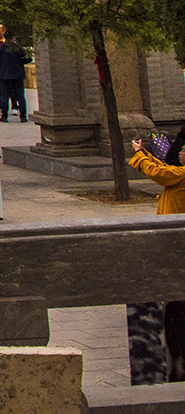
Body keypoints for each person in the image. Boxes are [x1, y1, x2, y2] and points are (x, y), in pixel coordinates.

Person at [127, 130, 185, 384]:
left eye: (183, 150)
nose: (180, 152)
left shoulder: (182, 175)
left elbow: (161, 173)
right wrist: (146, 153)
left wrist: (140, 155)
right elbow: (164, 168)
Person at [0, 32, 28, 123]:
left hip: (4, 75)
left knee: (4, 96)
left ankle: (4, 116)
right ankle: (23, 116)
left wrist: (1, 64)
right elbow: (28, 59)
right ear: (14, 38)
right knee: (20, 96)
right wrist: (20, 62)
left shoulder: (0, 48)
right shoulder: (19, 48)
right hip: (18, 75)